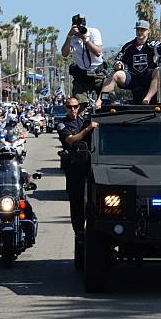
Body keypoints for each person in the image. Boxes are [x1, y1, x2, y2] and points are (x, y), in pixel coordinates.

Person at [0, 146, 38, 246]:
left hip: (17, 199)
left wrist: (30, 182)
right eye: (5, 157)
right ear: (0, 159)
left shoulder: (19, 170)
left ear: (14, 158)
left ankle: (29, 236)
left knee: (28, 209)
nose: (7, 160)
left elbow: (28, 177)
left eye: (10, 157)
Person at [97, 20, 160, 106]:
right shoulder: (128, 46)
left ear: (148, 31)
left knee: (159, 71)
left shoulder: (154, 45)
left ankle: (147, 99)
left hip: (148, 77)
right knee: (116, 74)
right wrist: (118, 65)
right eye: (138, 30)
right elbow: (118, 60)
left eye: (143, 30)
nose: (140, 32)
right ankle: (100, 102)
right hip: (133, 78)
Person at [61, 97, 98, 242]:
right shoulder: (62, 124)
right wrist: (88, 128)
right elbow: (71, 140)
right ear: (66, 108)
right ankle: (79, 231)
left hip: (88, 164)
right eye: (70, 107)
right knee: (76, 199)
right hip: (74, 165)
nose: (73, 109)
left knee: (93, 198)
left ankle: (93, 227)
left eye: (75, 106)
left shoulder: (82, 121)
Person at [61, 13, 105, 103]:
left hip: (98, 74)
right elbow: (64, 53)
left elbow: (98, 52)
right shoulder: (72, 38)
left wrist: (86, 40)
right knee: (80, 102)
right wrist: (69, 36)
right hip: (82, 75)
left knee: (105, 101)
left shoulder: (93, 32)